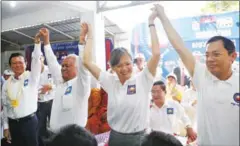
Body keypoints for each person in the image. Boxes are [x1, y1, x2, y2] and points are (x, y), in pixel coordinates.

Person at [154, 4, 239, 145]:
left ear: (232, 56)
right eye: (207, 55)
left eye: (216, 54)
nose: (210, 59)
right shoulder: (202, 76)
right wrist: (162, 16)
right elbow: (179, 46)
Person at [82, 5, 161, 146]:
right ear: (112, 68)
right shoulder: (110, 81)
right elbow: (87, 61)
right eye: (119, 66)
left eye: (127, 63)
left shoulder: (143, 79)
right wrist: (90, 35)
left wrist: (151, 22)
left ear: (132, 62)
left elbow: (155, 54)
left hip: (139, 138)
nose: (124, 68)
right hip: (115, 137)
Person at [38, 27, 91, 132]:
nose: (63, 68)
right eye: (63, 66)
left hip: (74, 138)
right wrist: (46, 42)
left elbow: (84, 67)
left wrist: (81, 44)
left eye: (67, 66)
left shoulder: (81, 85)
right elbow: (52, 62)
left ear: (77, 68)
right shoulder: (61, 82)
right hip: (56, 136)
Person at [2, 32, 42, 146]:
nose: (17, 65)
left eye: (20, 62)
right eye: (14, 63)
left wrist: (37, 44)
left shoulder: (32, 77)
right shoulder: (6, 84)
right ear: (10, 66)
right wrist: (6, 127)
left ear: (26, 63)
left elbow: (36, 62)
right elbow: (5, 107)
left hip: (29, 123)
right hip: (13, 124)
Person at [37, 55, 56, 146]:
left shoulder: (51, 70)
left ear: (43, 58)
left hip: (52, 102)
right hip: (39, 104)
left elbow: (60, 82)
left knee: (54, 126)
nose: (38, 61)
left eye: (39, 59)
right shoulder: (32, 73)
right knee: (41, 127)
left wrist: (51, 86)